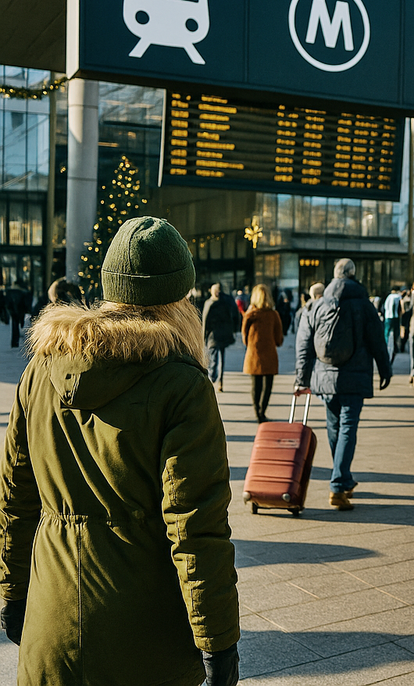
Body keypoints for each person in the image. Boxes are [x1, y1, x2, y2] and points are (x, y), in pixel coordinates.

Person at [0, 216, 239, 686]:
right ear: (179, 298)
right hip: (146, 640)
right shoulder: (182, 384)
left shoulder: (39, 371)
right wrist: (218, 641)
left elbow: (14, 496)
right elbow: (196, 527)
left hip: (51, 624)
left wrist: (11, 590)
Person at [294, 259, 391, 511]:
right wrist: (385, 370)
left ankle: (343, 477)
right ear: (353, 275)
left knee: (334, 426)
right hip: (354, 376)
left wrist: (301, 379)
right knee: (348, 427)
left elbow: (304, 344)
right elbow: (377, 340)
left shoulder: (317, 305)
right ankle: (338, 484)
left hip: (325, 378)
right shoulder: (363, 304)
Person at [242, 284, 284, 422]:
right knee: (268, 385)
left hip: (254, 354)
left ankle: (257, 412)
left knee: (256, 385)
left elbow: (244, 337)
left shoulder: (250, 315)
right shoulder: (273, 314)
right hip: (270, 354)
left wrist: (251, 344)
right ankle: (262, 410)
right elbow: (279, 339)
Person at [201, 283, 239, 392]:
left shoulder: (212, 302)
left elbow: (205, 320)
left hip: (216, 334)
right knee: (218, 357)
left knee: (215, 357)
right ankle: (217, 380)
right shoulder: (225, 301)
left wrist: (204, 336)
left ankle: (215, 379)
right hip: (218, 334)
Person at [382, 285, 405, 362]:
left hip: (388, 316)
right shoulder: (398, 297)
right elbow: (402, 308)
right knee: (396, 333)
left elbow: (385, 307)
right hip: (396, 317)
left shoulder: (389, 297)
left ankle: (385, 345)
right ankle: (396, 346)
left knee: (386, 333)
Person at [6, 281, 29, 349]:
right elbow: (25, 303)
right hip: (21, 311)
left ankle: (14, 342)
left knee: (14, 326)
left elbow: (7, 302)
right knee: (20, 324)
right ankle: (17, 340)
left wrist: (9, 309)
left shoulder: (10, 291)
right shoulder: (23, 292)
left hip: (13, 311)